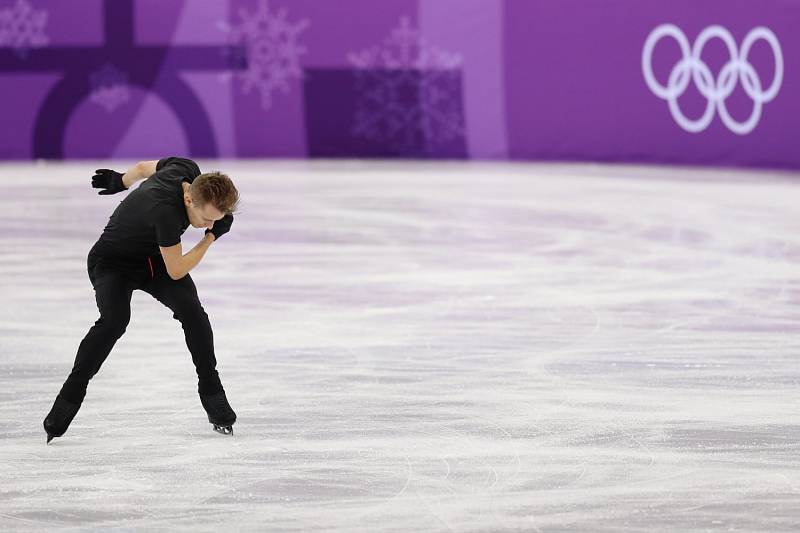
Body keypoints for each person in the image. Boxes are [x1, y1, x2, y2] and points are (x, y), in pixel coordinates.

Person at [43, 157, 240, 442]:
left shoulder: (186, 171)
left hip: (153, 257)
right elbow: (176, 269)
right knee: (114, 321)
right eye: (206, 218)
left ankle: (212, 391)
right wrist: (210, 238)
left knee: (192, 312)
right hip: (113, 263)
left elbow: (143, 168)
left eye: (217, 220)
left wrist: (121, 181)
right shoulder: (165, 212)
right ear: (188, 198)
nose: (210, 224)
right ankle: (70, 395)